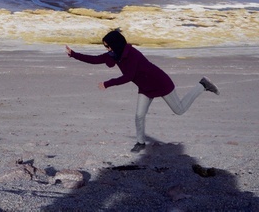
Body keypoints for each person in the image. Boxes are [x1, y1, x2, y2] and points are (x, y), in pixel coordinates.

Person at [65, 29, 219, 153]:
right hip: (145, 87)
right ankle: (140, 143)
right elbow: (95, 60)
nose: (107, 49)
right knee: (139, 115)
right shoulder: (114, 54)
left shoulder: (132, 55)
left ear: (116, 44)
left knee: (179, 110)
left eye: (108, 46)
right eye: (105, 46)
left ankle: (202, 85)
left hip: (159, 82)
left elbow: (128, 76)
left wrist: (108, 84)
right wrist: (73, 54)